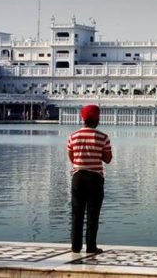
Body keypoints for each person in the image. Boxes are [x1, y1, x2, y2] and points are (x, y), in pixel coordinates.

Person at [67, 105, 112, 254]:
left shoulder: (73, 136)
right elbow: (108, 159)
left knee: (77, 212)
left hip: (78, 177)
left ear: (83, 119)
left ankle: (75, 246)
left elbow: (72, 157)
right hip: (95, 178)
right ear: (97, 119)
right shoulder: (103, 137)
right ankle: (91, 246)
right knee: (93, 213)